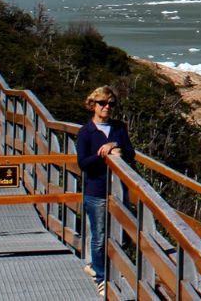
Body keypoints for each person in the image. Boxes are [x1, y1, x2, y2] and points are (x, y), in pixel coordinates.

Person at [76, 86, 135, 295]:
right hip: (97, 191)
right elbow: (83, 163)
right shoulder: (86, 132)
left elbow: (130, 152)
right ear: (93, 104)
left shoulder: (119, 127)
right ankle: (101, 277)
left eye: (111, 104)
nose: (107, 107)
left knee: (127, 235)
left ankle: (95, 266)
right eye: (102, 103)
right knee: (100, 237)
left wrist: (115, 145)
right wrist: (103, 155)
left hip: (120, 191)